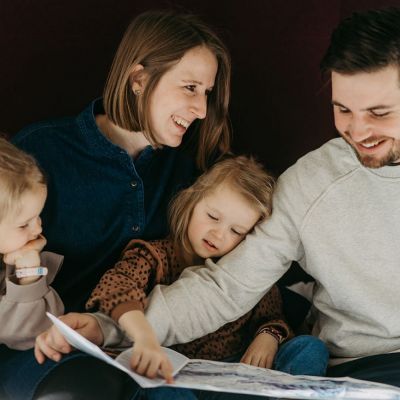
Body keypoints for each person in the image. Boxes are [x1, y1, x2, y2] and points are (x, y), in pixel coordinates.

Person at [44, 6, 400, 396]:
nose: (358, 130)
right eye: (342, 110)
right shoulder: (309, 186)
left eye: (379, 113)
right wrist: (111, 327)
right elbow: (226, 287)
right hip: (361, 368)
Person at [1, 10, 231, 400]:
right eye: (190, 88)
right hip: (42, 346)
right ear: (139, 79)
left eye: (206, 93)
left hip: (143, 342)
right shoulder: (43, 151)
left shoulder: (191, 167)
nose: (202, 110)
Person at [36, 157, 328, 400]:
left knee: (310, 349)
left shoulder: (244, 271)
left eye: (237, 231)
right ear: (191, 200)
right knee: (164, 392)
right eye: (213, 216)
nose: (219, 234)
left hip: (232, 375)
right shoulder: (154, 256)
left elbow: (273, 315)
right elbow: (119, 287)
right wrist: (141, 335)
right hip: (171, 374)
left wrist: (269, 336)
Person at [0, 138, 64, 350]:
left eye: (38, 216)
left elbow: (45, 329)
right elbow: (20, 336)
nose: (37, 230)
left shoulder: (14, 253)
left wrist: (28, 271)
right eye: (23, 225)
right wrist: (27, 270)